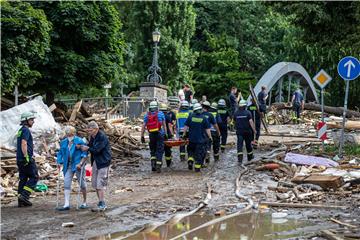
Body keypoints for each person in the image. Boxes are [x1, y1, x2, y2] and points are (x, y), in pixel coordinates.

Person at [81, 121, 111, 211]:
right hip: (96, 162)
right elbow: (89, 146)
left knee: (100, 183)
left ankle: (102, 203)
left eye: (91, 130)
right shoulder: (93, 137)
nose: (89, 132)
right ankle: (100, 201)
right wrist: (82, 146)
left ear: (96, 129)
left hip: (103, 162)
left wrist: (88, 148)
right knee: (94, 183)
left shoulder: (102, 137)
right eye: (88, 131)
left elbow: (97, 150)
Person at [56, 126, 88, 211]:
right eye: (67, 134)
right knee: (66, 182)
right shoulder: (63, 142)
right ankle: (66, 204)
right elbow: (60, 153)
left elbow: (85, 153)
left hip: (77, 164)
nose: (68, 136)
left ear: (74, 134)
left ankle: (84, 202)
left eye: (70, 134)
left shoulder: (79, 141)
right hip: (68, 165)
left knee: (82, 184)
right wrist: (59, 161)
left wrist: (81, 164)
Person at [16, 112, 38, 207]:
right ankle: (24, 196)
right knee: (34, 177)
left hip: (19, 159)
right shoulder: (26, 130)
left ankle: (20, 200)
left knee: (23, 179)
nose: (33, 121)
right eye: (31, 120)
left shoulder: (20, 130)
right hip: (26, 158)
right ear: (26, 120)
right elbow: (24, 143)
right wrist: (27, 157)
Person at [182, 103, 211, 172]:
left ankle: (190, 160)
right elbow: (207, 130)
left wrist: (184, 134)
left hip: (191, 139)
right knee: (198, 154)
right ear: (200, 109)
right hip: (200, 141)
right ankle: (197, 168)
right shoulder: (204, 118)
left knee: (190, 151)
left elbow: (185, 126)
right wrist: (210, 137)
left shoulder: (190, 116)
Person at [141, 101, 167, 172]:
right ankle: (158, 165)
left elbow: (143, 126)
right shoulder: (161, 114)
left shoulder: (147, 116)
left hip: (151, 135)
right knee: (160, 150)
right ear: (157, 107)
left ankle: (153, 164)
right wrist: (166, 134)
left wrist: (142, 136)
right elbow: (164, 125)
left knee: (153, 150)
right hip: (160, 134)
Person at [159, 103, 175, 167]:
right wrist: (172, 134)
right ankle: (168, 163)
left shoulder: (158, 115)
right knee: (167, 149)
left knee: (159, 149)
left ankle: (158, 163)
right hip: (167, 135)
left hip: (159, 134)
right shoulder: (167, 116)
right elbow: (170, 126)